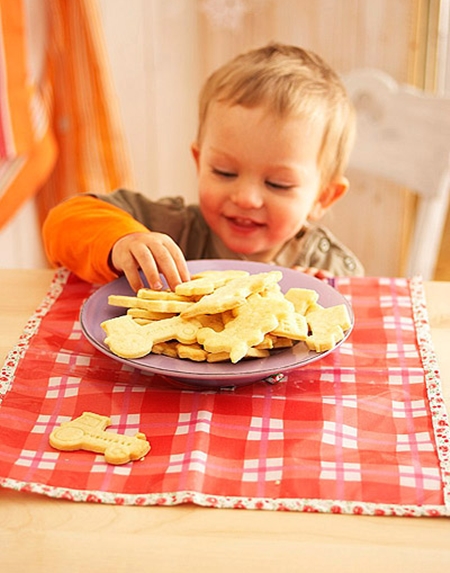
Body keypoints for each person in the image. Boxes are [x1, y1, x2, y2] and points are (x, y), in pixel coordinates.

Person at [42, 43, 364, 292]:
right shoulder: (172, 228)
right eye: (224, 172)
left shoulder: (332, 266)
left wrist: (319, 300)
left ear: (324, 197)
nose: (246, 198)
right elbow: (61, 224)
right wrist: (123, 242)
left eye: (277, 184)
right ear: (200, 163)